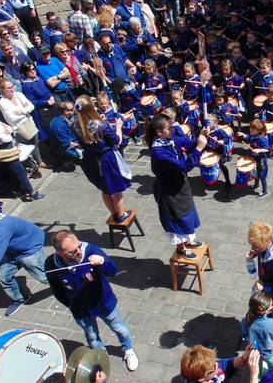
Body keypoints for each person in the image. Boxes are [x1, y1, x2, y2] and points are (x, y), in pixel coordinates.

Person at [45, 230, 138, 371]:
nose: (78, 252)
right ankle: (101, 357)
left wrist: (102, 262)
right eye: (71, 252)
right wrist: (70, 304)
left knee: (119, 327)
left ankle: (128, 349)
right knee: (92, 336)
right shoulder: (51, 264)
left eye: (78, 246)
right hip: (81, 309)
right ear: (59, 253)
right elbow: (57, 290)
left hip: (103, 301)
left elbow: (112, 271)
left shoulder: (91, 250)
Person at [146, 114, 206, 260]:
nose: (173, 129)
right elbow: (184, 166)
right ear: (159, 132)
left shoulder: (169, 139)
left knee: (188, 213)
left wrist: (201, 134)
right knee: (178, 218)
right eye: (169, 128)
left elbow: (188, 143)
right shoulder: (158, 151)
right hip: (170, 191)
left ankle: (188, 241)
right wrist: (199, 148)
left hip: (181, 186)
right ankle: (181, 248)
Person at [72, 95, 132, 223]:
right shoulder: (102, 125)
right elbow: (117, 141)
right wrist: (119, 126)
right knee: (116, 190)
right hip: (106, 160)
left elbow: (90, 128)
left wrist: (100, 121)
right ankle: (121, 215)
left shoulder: (75, 125)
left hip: (90, 160)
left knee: (105, 189)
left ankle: (114, 213)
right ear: (91, 108)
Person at [0, 100, 45, 200]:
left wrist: (6, 131)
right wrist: (6, 132)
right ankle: (32, 193)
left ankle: (22, 191)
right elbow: (5, 138)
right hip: (5, 149)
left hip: (10, 146)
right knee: (20, 172)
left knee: (18, 171)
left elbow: (10, 129)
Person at [240, 292, 273, 375]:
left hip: (254, 352)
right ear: (265, 311)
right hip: (269, 353)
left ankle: (259, 375)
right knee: (271, 366)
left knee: (258, 365)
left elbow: (244, 334)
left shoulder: (245, 321)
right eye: (272, 304)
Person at [180, 344, 259, 383]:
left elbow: (228, 364)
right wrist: (253, 376)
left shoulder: (213, 365)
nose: (217, 364)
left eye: (214, 360)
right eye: (212, 369)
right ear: (201, 379)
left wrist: (243, 358)